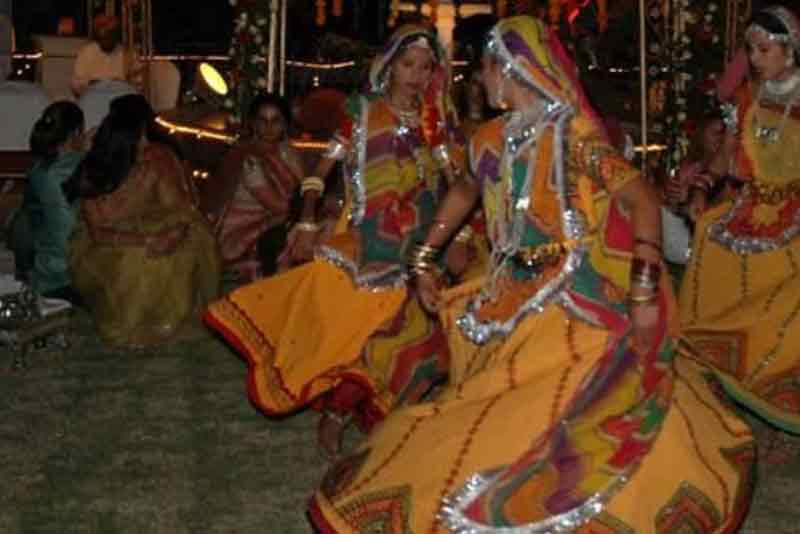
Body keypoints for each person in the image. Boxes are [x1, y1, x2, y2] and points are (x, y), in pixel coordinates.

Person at [309, 16, 754, 533]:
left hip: (572, 294)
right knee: (486, 407)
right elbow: (463, 194)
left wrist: (644, 282)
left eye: (488, 67)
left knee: (575, 402)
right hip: (506, 293)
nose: (481, 78)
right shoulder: (490, 138)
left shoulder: (573, 135)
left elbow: (640, 199)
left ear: (514, 69)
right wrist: (423, 258)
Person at [204, 25, 465, 459]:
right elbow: (322, 170)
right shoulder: (361, 111)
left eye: (425, 67)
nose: (416, 76)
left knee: (405, 332)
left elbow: (454, 182)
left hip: (420, 236)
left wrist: (464, 225)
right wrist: (306, 221)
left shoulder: (433, 118)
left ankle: (357, 415)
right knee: (345, 319)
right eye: (407, 65)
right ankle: (336, 411)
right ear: (389, 65)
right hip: (370, 236)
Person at [680, 6, 800, 458]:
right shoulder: (748, 96)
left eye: (763, 49)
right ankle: (722, 377)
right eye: (750, 49)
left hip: (795, 210)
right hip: (752, 207)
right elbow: (726, 151)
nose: (754, 58)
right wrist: (704, 185)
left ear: (790, 50)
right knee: (711, 237)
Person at [64, 96, 220, 348]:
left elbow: (183, 209)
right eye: (141, 139)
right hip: (104, 246)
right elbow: (98, 233)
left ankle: (166, 322)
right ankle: (133, 323)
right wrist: (148, 240)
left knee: (180, 252)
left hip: (161, 228)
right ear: (123, 145)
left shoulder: (157, 160)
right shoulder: (93, 172)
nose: (148, 144)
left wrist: (173, 234)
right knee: (136, 260)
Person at [209, 93, 305, 281]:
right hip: (243, 233)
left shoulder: (287, 152)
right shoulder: (248, 159)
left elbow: (303, 191)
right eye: (263, 120)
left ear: (285, 124)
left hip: (279, 221)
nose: (269, 127)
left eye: (276, 120)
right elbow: (280, 206)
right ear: (253, 124)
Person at [8, 101, 84, 303]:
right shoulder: (79, 164)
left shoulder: (38, 171)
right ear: (76, 133)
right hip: (70, 275)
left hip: (42, 274)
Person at [71, 15, 141, 97]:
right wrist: (91, 84)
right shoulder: (87, 52)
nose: (106, 41)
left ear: (115, 36)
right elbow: (75, 84)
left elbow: (138, 83)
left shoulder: (128, 54)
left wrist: (122, 84)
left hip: (120, 100)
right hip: (94, 99)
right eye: (102, 38)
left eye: (109, 36)